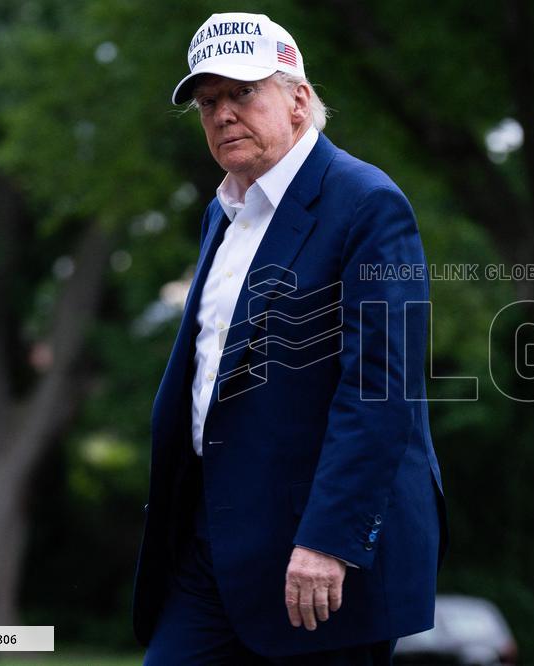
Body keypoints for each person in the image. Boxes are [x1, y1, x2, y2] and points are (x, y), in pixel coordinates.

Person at [132, 12, 447, 665]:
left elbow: (380, 389)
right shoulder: (222, 214)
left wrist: (330, 539)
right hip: (211, 546)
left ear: (298, 99)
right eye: (207, 100)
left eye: (243, 92)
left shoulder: (368, 203)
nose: (222, 114)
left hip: (321, 554)